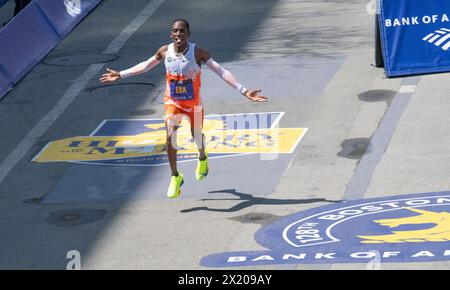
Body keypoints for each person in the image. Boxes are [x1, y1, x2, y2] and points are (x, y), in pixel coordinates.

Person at [100, 19, 267, 198]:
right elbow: (146, 65)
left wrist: (244, 91)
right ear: (171, 34)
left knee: (196, 136)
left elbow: (222, 72)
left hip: (193, 104)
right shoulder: (164, 51)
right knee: (170, 136)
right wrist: (121, 74)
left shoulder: (199, 53)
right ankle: (175, 176)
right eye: (175, 31)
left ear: (188, 33)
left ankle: (202, 157)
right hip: (173, 103)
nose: (178, 34)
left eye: (182, 31)